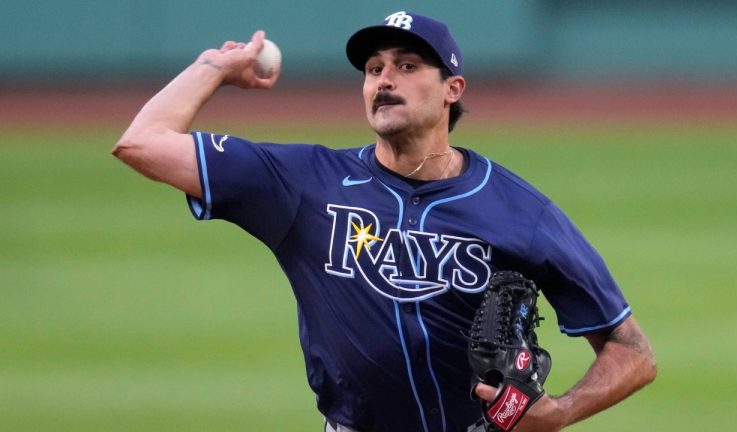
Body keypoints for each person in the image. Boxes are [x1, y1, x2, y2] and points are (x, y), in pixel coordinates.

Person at [112, 10, 656, 432]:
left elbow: (631, 352)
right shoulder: (305, 181)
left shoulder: (519, 210)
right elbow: (142, 144)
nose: (383, 80)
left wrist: (559, 411)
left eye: (406, 65)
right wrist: (215, 67)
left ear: (452, 89)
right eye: (374, 69)